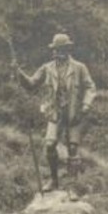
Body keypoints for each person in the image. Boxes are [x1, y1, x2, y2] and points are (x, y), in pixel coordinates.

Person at [15, 33, 96, 198]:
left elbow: (90, 87)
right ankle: (53, 180)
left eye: (61, 49)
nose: (58, 52)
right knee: (50, 145)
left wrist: (87, 104)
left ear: (68, 49)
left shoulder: (79, 67)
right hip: (55, 113)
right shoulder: (47, 68)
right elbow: (31, 84)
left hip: (74, 113)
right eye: (56, 49)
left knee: (73, 149)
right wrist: (18, 73)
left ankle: (72, 187)